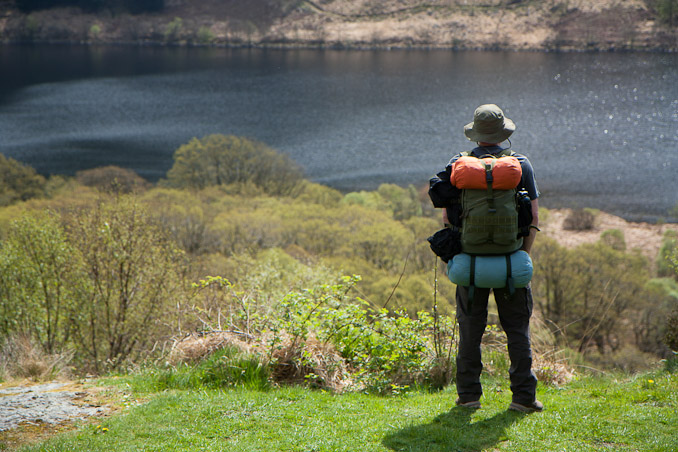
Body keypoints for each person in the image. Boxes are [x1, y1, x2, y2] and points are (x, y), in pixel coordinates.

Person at [441, 104, 542, 413]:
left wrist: (464, 252)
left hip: (471, 265)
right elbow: (534, 218)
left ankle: (468, 397)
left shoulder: (459, 164)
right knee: (517, 330)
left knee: (470, 331)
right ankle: (523, 398)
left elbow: (447, 220)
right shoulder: (520, 164)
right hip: (510, 262)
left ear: (476, 133)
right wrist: (520, 254)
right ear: (503, 134)